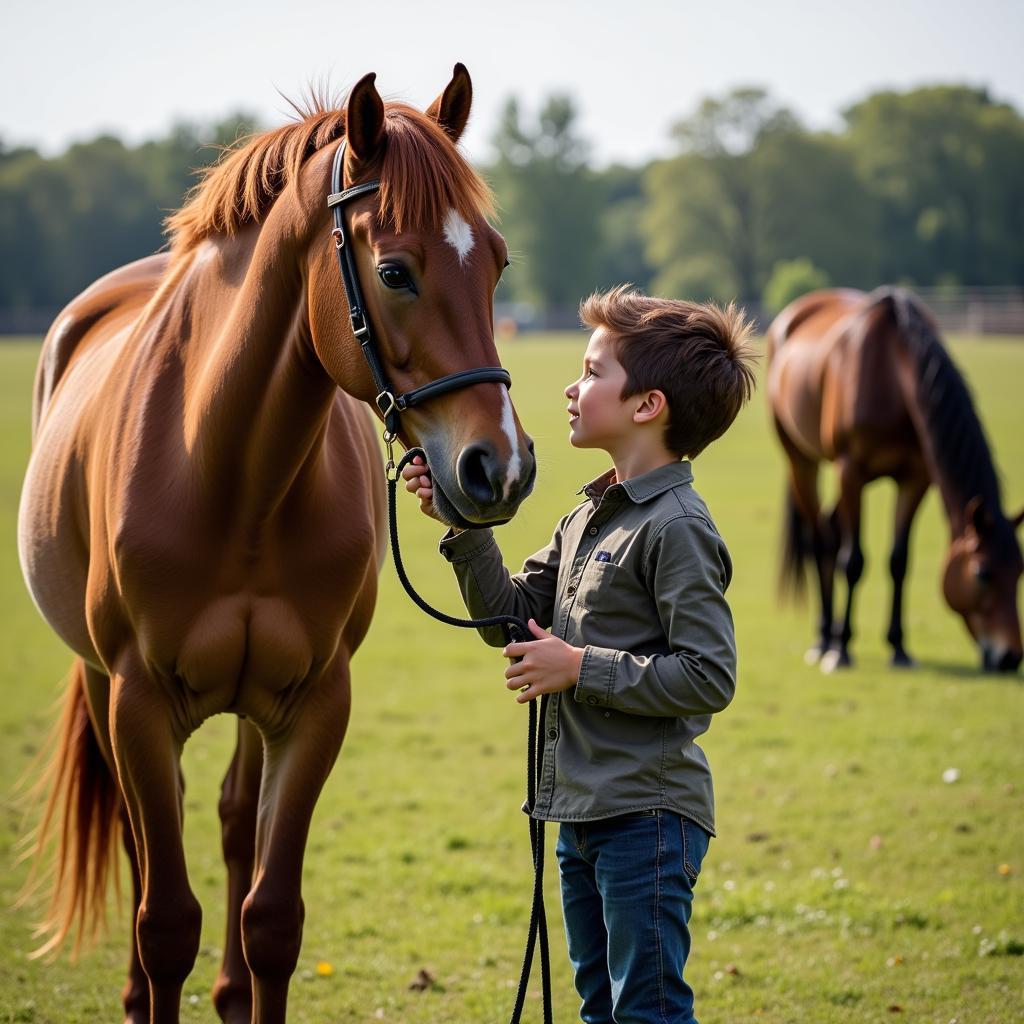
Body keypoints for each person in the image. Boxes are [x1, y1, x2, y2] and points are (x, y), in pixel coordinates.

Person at [402, 285, 756, 1024]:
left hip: (648, 818)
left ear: (647, 406)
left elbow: (709, 674)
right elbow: (514, 620)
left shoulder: (678, 526)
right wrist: (461, 521)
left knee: (647, 1014)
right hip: (584, 815)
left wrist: (579, 667)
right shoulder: (588, 513)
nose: (572, 385)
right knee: (600, 1010)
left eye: (594, 372)